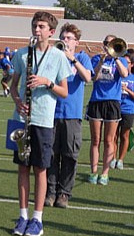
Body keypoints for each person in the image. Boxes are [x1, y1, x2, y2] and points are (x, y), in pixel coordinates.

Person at [9, 11, 71, 236]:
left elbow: (64, 92)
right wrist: (17, 101)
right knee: (22, 167)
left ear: (51, 32)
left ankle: (38, 219)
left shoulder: (58, 57)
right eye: (35, 26)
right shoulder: (22, 54)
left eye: (42, 27)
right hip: (22, 118)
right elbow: (13, 85)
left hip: (44, 120)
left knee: (40, 168)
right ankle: (23, 216)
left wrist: (47, 82)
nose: (37, 30)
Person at [46, 23, 93, 208]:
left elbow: (88, 78)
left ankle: (64, 193)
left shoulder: (82, 57)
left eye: (69, 38)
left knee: (70, 155)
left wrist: (72, 59)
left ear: (76, 42)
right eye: (63, 37)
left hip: (72, 114)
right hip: (52, 113)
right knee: (51, 155)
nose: (65, 41)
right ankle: (50, 192)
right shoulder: (54, 56)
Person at [87, 35, 129, 185]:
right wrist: (101, 60)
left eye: (111, 43)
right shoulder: (97, 58)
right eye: (106, 43)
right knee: (95, 140)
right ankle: (93, 172)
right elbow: (94, 77)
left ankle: (105, 173)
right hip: (96, 101)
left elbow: (124, 74)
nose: (108, 45)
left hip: (113, 102)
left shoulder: (121, 60)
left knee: (109, 140)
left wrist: (116, 57)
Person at [112, 54, 134, 169]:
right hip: (115, 108)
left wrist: (127, 90)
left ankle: (121, 159)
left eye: (127, 62)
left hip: (128, 110)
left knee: (124, 136)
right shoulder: (118, 76)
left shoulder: (133, 78)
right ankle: (113, 158)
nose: (125, 64)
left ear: (132, 64)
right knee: (113, 136)